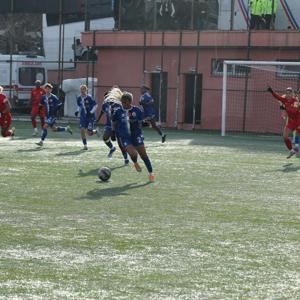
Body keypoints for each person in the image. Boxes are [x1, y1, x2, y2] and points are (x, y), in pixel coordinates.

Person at [121, 91, 155, 182]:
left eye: (124, 102)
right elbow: (114, 122)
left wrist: (145, 123)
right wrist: (113, 132)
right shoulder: (119, 111)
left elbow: (141, 122)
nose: (123, 104)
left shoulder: (137, 110)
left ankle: (151, 173)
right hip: (125, 137)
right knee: (133, 153)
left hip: (136, 135)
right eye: (122, 102)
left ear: (129, 102)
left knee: (144, 155)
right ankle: (135, 162)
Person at [96, 90, 129, 164]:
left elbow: (120, 117)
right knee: (105, 137)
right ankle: (112, 148)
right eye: (106, 97)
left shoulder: (118, 105)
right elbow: (102, 111)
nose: (107, 98)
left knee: (120, 143)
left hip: (118, 125)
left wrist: (115, 130)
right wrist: (98, 119)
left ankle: (126, 158)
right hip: (109, 125)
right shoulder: (105, 104)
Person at [267, 86, 300, 158]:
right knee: (285, 137)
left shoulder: (295, 101)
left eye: (290, 93)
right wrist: (271, 91)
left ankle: (297, 145)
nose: (288, 95)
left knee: (298, 133)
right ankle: (291, 150)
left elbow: (294, 111)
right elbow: (277, 97)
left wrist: (287, 106)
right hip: (291, 122)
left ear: (292, 94)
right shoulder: (284, 100)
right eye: (287, 93)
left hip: (298, 121)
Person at [74, 84, 99, 150]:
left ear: (86, 90)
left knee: (89, 133)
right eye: (81, 89)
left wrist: (91, 112)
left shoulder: (89, 97)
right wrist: (77, 111)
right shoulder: (79, 98)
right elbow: (79, 106)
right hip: (83, 117)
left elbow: (96, 105)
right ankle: (85, 145)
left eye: (84, 89)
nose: (82, 90)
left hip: (90, 117)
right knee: (82, 130)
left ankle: (96, 131)